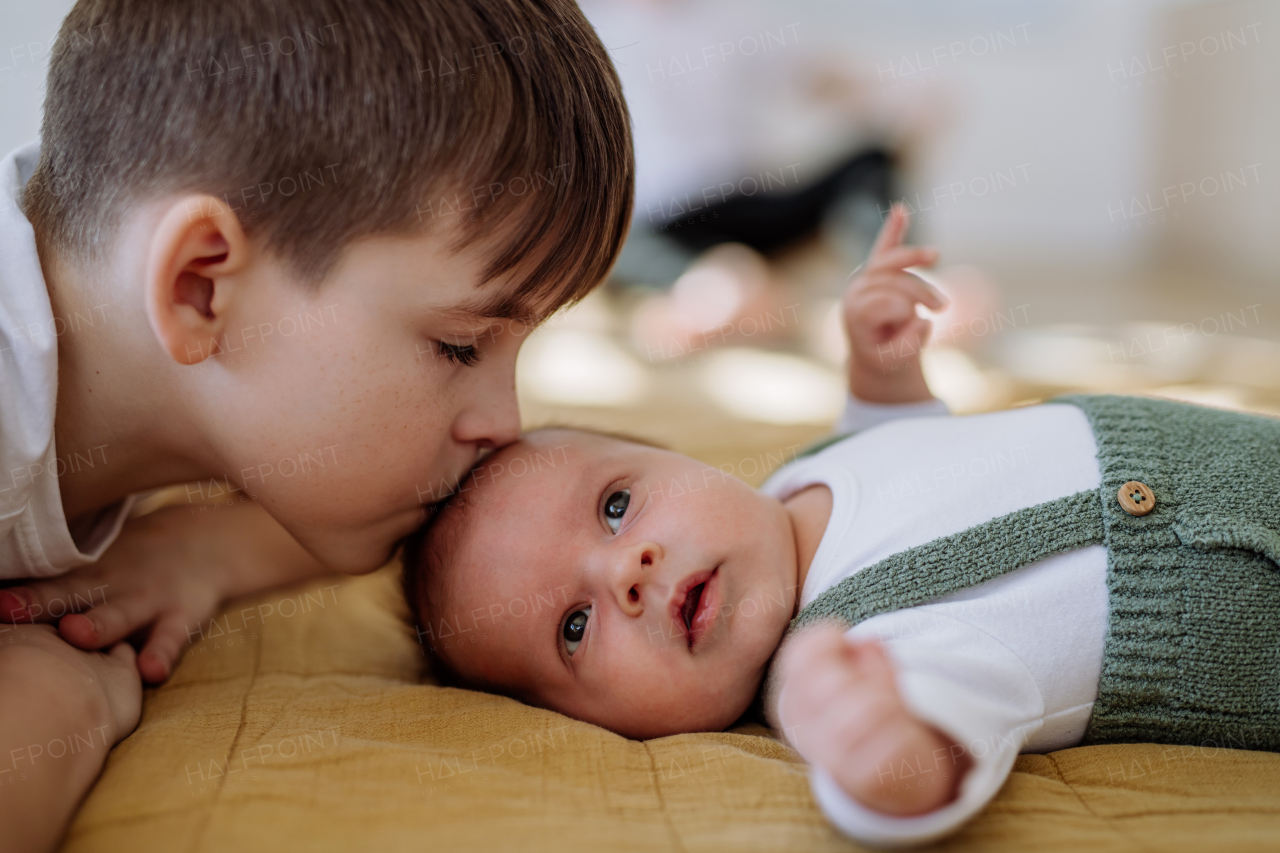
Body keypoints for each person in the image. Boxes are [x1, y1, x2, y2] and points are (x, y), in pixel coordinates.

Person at [403, 205, 1280, 847]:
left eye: (616, 504)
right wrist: (870, 752)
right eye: (575, 625)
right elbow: (931, 763)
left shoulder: (800, 478)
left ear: (684, 458)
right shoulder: (834, 671)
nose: (625, 571)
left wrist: (883, 370)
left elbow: (904, 451)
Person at [0, 1, 632, 850]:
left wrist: (209, 544)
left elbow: (335, 480)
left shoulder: (122, 333)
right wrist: (47, 708)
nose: (503, 423)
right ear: (199, 286)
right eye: (457, 346)